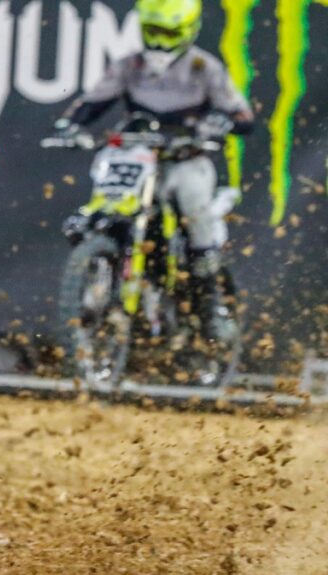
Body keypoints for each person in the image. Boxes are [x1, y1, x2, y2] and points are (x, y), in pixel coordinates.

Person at [54, 0, 254, 340]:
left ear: (188, 31)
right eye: (153, 32)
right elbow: (91, 103)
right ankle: (101, 258)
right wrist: (69, 124)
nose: (160, 42)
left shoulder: (205, 67)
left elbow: (243, 116)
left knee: (193, 207)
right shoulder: (129, 65)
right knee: (107, 199)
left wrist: (223, 122)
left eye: (168, 33)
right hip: (137, 156)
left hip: (185, 159)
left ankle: (210, 306)